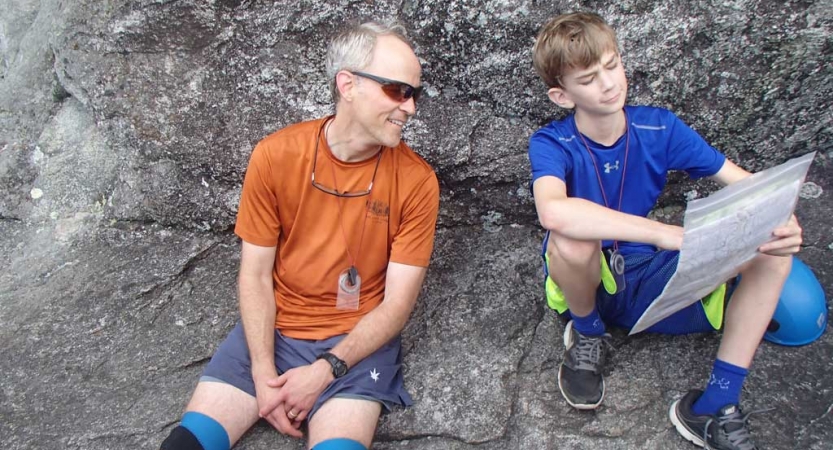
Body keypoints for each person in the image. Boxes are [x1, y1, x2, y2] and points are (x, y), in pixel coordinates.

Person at [528, 12, 803, 450]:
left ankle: (714, 403)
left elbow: (744, 182)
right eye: (589, 78)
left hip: (651, 277)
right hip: (587, 280)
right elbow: (552, 211)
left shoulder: (659, 126)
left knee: (773, 250)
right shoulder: (551, 142)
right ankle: (586, 332)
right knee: (570, 239)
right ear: (562, 96)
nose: (608, 83)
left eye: (612, 65)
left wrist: (780, 215)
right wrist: (661, 232)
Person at [160, 21, 439, 450]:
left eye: (414, 94)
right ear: (348, 84)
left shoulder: (417, 181)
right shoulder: (276, 156)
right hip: (277, 328)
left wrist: (325, 371)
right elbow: (255, 275)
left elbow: (397, 306)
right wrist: (262, 372)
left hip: (357, 340)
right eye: (397, 91)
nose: (410, 107)